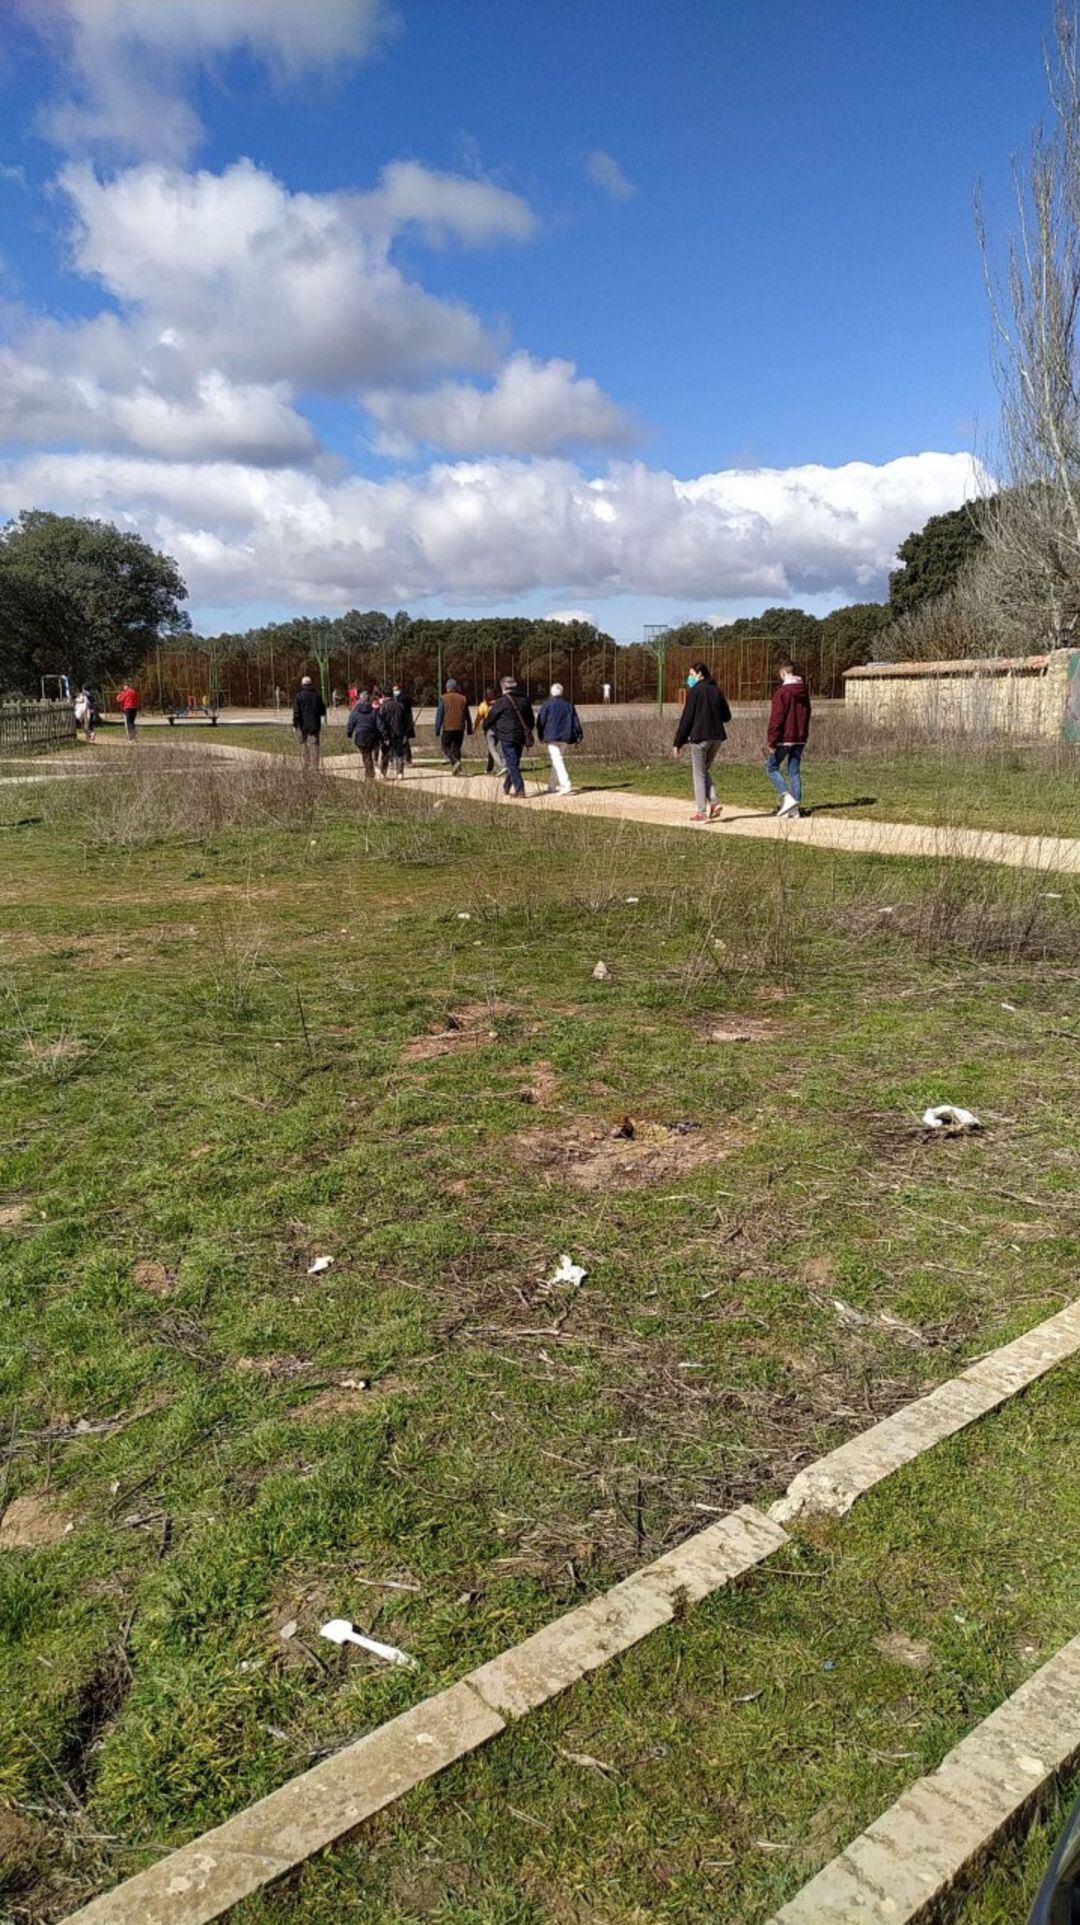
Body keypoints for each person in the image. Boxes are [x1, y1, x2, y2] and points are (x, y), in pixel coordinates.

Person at [672, 661, 732, 822]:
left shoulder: (695, 691)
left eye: (691, 674)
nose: (689, 678)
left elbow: (687, 719)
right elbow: (727, 716)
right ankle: (714, 803)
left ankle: (701, 812)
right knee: (704, 771)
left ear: (699, 674)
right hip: (717, 738)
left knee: (698, 774)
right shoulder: (716, 690)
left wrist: (678, 742)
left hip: (700, 738)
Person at [765, 659, 812, 818]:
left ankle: (787, 797)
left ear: (783, 673)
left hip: (784, 737)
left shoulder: (782, 692)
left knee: (771, 767)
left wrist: (772, 740)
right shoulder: (804, 691)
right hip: (800, 736)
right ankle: (795, 809)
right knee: (794, 771)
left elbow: (776, 719)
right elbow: (807, 713)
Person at [483, 675, 536, 798]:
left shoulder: (502, 702)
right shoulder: (525, 700)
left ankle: (520, 790)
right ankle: (507, 786)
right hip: (521, 737)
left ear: (503, 687)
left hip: (507, 737)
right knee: (514, 762)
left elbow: (490, 719)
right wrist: (527, 731)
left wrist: (495, 730)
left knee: (512, 763)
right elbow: (531, 720)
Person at [536, 681, 583, 794]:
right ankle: (552, 785)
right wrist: (579, 736)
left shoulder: (547, 704)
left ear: (552, 693)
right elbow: (576, 721)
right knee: (557, 760)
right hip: (565, 736)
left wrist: (540, 735)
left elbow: (540, 721)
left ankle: (566, 785)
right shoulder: (568, 705)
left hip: (551, 736)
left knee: (557, 760)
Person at [433, 678, 472, 773]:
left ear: (447, 688)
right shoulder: (463, 698)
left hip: (448, 727)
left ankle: (455, 762)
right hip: (460, 727)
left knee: (445, 746)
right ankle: (458, 769)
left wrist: (437, 729)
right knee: (457, 747)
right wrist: (469, 728)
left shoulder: (443, 698)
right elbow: (467, 715)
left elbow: (440, 715)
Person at [378, 683, 415, 777]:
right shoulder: (400, 706)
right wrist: (405, 732)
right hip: (399, 732)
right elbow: (406, 720)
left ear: (383, 695)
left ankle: (383, 772)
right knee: (399, 753)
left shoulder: (383, 707)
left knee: (385, 753)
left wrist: (383, 734)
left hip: (388, 734)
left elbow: (380, 722)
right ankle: (400, 772)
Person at [345, 688, 383, 778]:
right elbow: (379, 724)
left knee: (365, 754)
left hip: (360, 736)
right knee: (368, 754)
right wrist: (384, 735)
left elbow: (351, 723)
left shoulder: (355, 711)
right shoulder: (373, 711)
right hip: (372, 737)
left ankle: (369, 773)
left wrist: (349, 733)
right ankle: (369, 772)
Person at [292, 675, 326, 765]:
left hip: (302, 725)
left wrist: (295, 724)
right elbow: (323, 711)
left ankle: (306, 763)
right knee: (314, 744)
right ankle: (315, 766)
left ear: (302, 685)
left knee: (303, 743)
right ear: (311, 684)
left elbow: (296, 712)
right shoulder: (317, 696)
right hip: (314, 725)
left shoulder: (299, 697)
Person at [475, 685, 504, 774]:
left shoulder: (483, 705)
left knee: (491, 749)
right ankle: (489, 768)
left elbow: (478, 718)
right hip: (500, 728)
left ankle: (501, 765)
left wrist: (474, 728)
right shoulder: (501, 703)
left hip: (490, 729)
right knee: (500, 748)